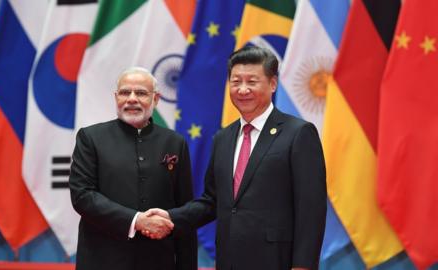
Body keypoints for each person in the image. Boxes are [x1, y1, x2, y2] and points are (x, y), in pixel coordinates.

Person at [147, 46, 327, 270]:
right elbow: (212, 201)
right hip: (229, 260)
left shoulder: (298, 133)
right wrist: (170, 217)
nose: (242, 89)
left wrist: (303, 266)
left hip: (277, 260)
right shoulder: (223, 137)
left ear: (273, 84)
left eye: (252, 82)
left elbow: (311, 207)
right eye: (236, 81)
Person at [69, 67, 197, 270]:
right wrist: (136, 221)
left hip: (158, 262)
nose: (131, 99)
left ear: (156, 99)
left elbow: (184, 211)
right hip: (103, 260)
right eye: (125, 92)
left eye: (141, 93)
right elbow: (83, 196)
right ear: (116, 97)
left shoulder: (175, 142)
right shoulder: (91, 138)